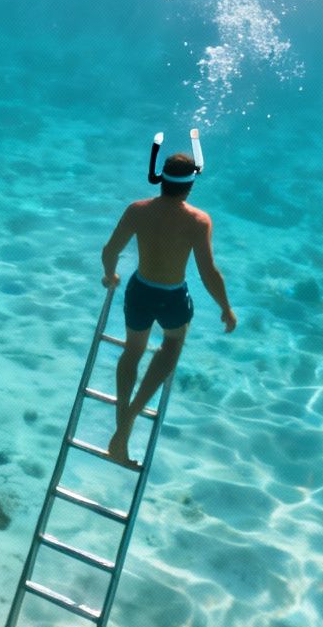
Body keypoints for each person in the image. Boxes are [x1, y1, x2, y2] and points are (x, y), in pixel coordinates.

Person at [100, 132, 235, 466]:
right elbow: (209, 273)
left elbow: (110, 250)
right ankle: (130, 418)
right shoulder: (198, 221)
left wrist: (110, 274)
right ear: (190, 187)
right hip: (173, 297)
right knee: (171, 346)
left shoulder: (137, 210)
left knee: (132, 351)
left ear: (161, 180)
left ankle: (121, 431)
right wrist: (226, 308)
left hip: (140, 291)